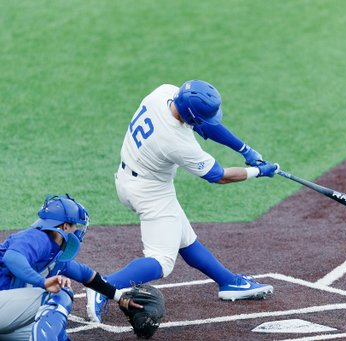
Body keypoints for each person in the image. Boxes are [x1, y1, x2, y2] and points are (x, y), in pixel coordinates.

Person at [86, 80, 278, 322]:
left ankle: (228, 282)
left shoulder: (164, 93)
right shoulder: (177, 141)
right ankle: (102, 286)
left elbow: (205, 125)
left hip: (131, 178)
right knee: (162, 261)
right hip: (150, 192)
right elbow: (218, 176)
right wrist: (259, 172)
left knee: (184, 239)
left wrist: (245, 149)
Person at [0, 194, 141, 340]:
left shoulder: (55, 254)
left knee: (57, 335)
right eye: (75, 226)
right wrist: (42, 282)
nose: (77, 231)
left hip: (5, 314)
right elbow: (12, 258)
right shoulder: (38, 237)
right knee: (60, 292)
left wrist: (121, 298)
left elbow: (86, 275)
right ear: (65, 226)